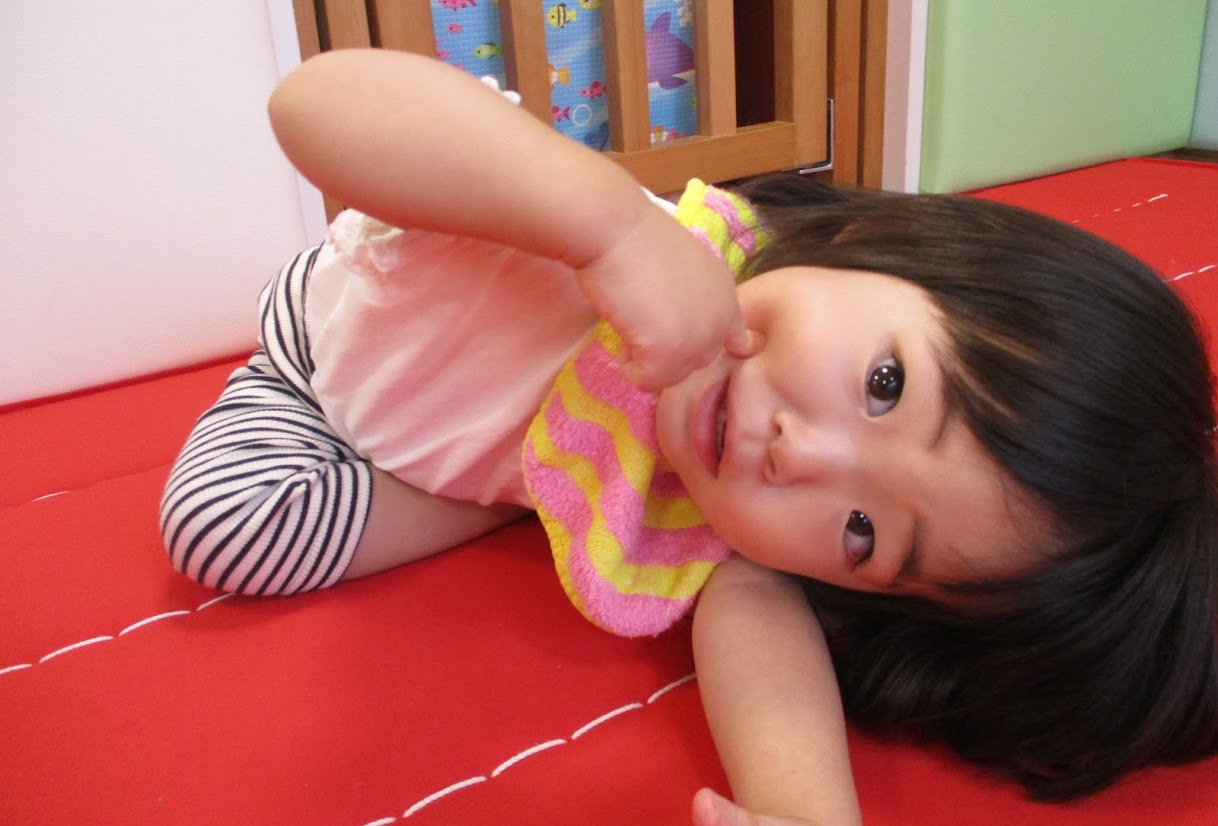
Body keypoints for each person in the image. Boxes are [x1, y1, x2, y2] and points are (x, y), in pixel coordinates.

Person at [159, 49, 1218, 825]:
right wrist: (611, 227)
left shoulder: (725, 528)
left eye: (863, 532)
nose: (802, 457)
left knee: (233, 535)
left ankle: (518, 485)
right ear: (884, 246)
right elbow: (317, 102)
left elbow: (763, 628)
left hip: (400, 442)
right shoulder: (675, 246)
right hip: (329, 350)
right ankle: (516, 493)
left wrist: (804, 811)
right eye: (886, 384)